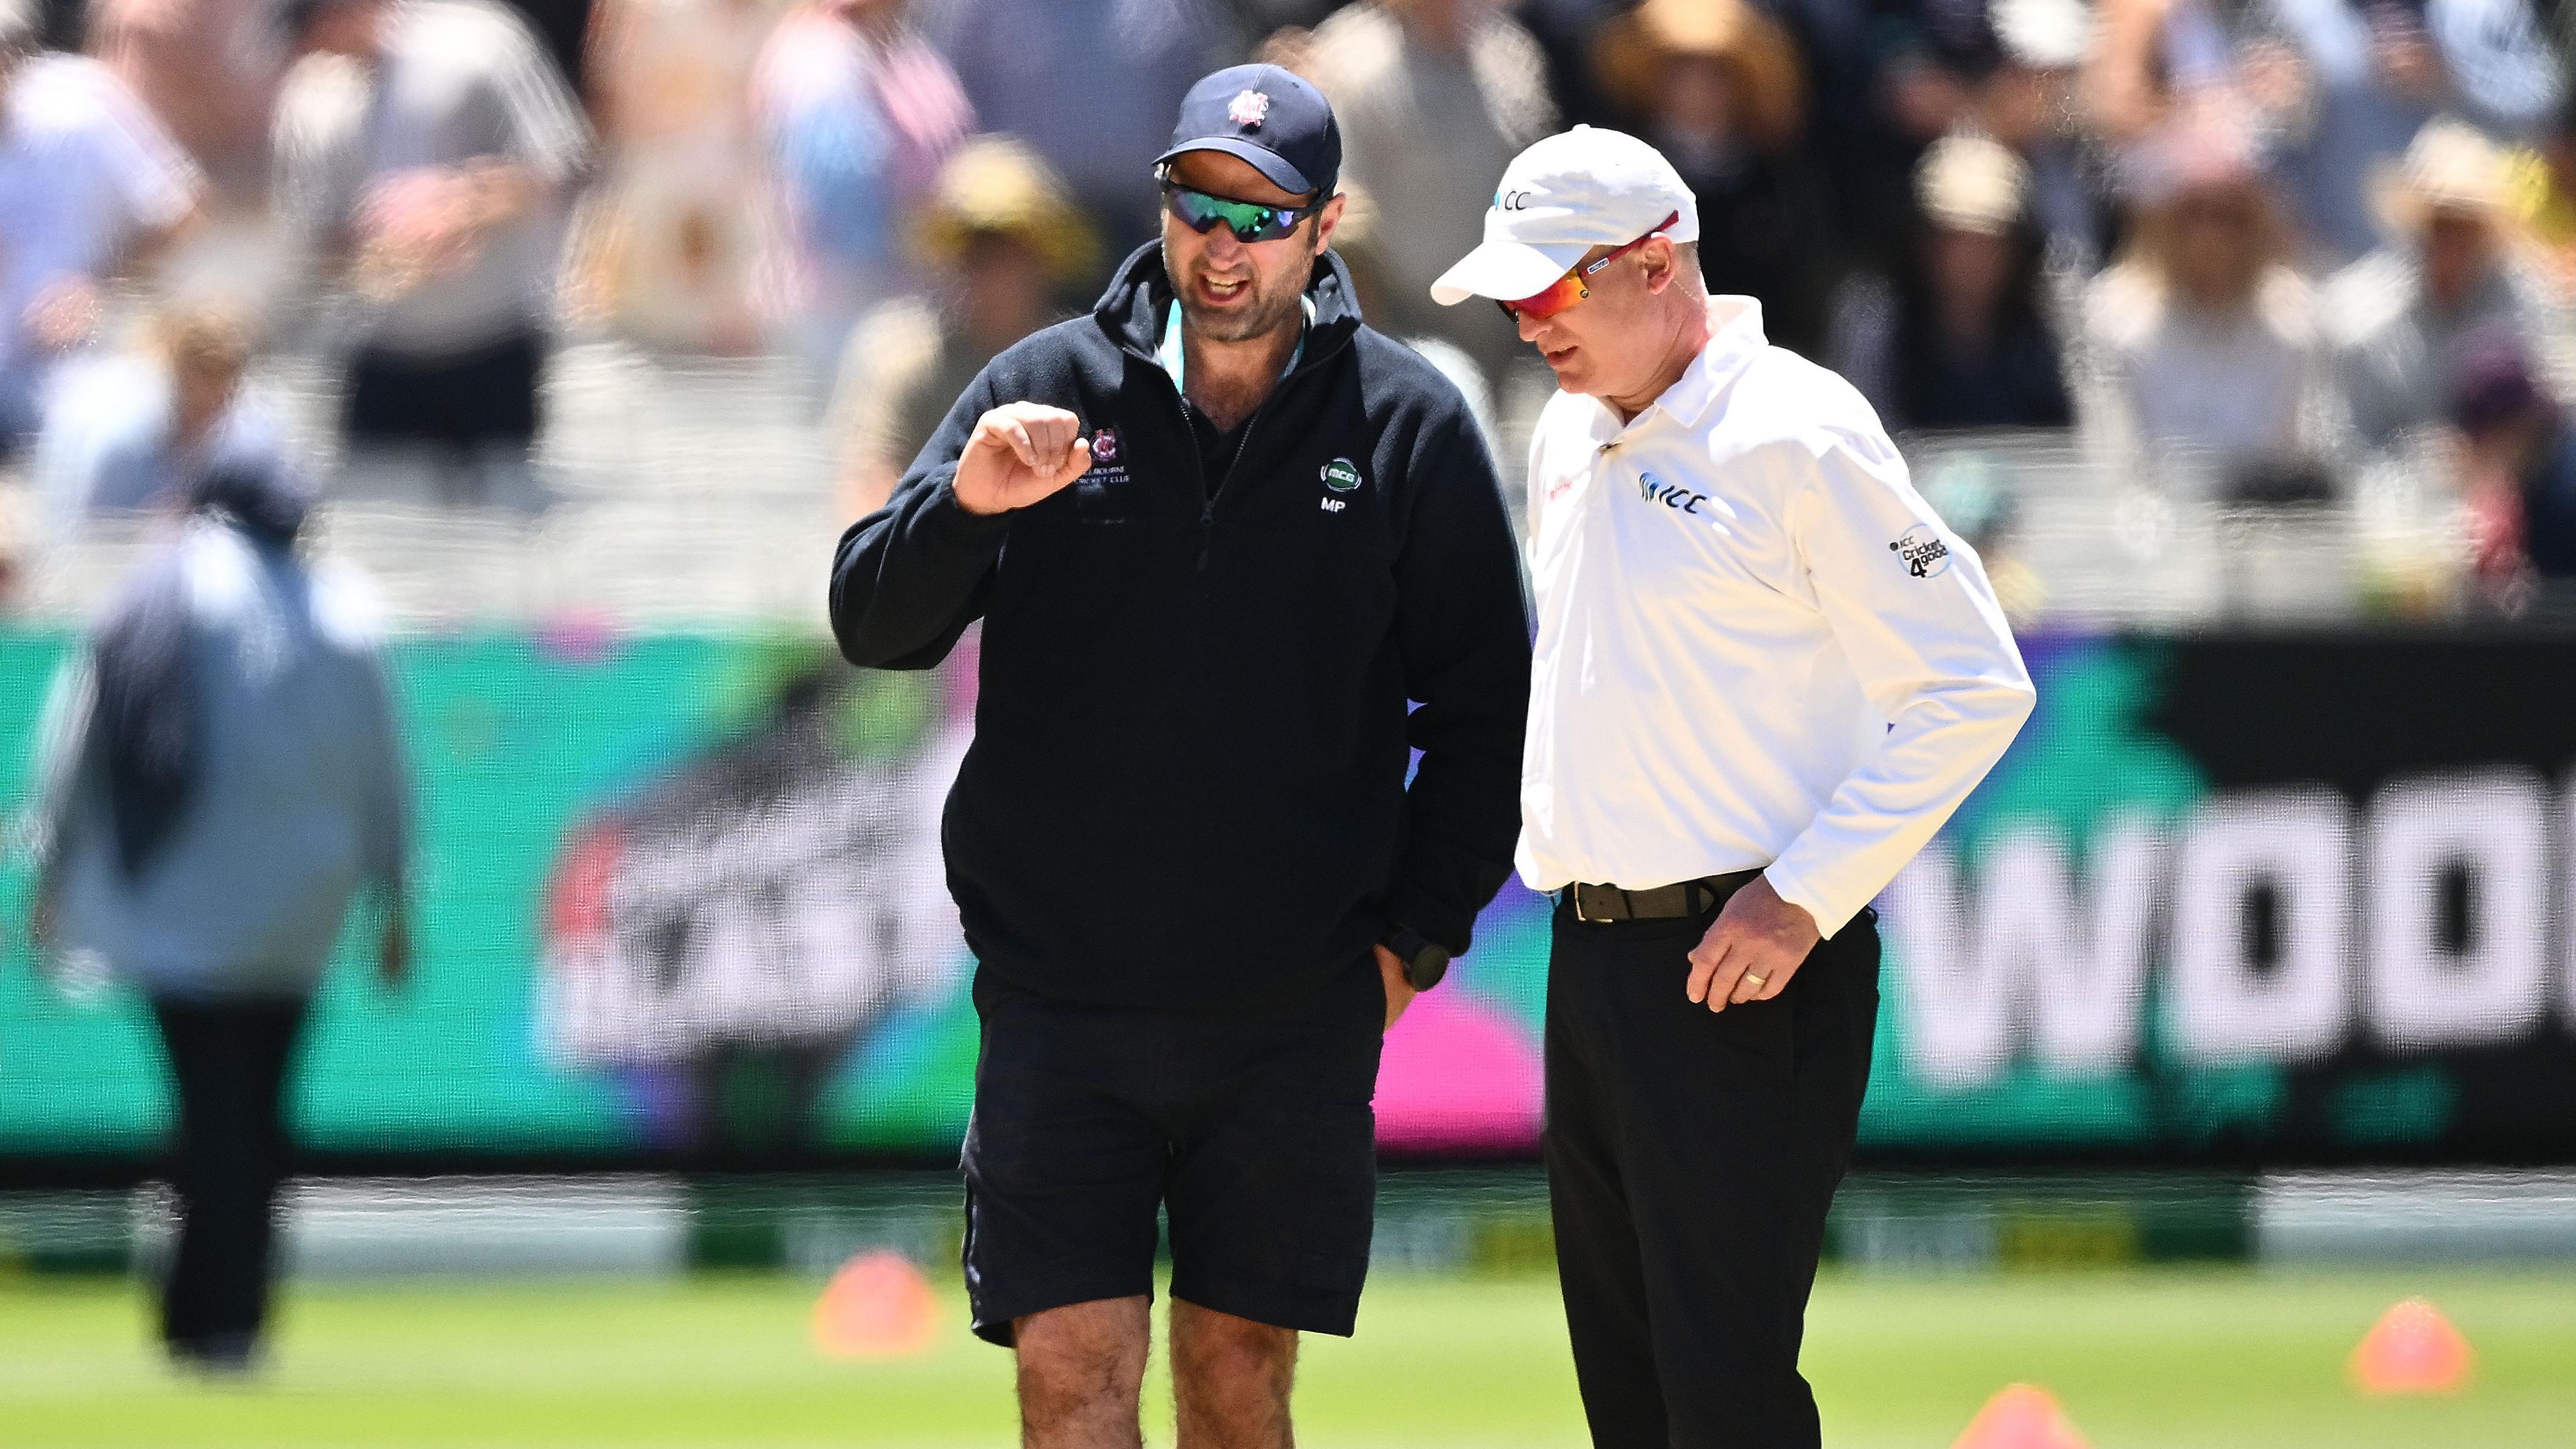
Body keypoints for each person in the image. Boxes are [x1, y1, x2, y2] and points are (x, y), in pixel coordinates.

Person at [829, 64, 1529, 1447]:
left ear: (1322, 231)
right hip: (1060, 1006)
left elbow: (1484, 717)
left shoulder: (1407, 426)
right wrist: (966, 505)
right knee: (1068, 1381)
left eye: (1261, 215)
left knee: (1235, 1382)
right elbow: (872, 619)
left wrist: (1407, 950)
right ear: (1163, 209)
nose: (1223, 245)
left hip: (1289, 1016)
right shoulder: (1037, 388)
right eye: (1198, 204)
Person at [1431, 126, 2035, 1449]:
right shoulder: (1568, 432)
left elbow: (1974, 685)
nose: (1529, 324)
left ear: (1654, 264)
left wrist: (1801, 899)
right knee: (1632, 1397)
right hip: (1593, 966)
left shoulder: (1796, 430)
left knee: (1726, 1393)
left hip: (1742, 969)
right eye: (1514, 297)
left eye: (1549, 290)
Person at [25, 463, 411, 1373]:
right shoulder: (343, 605)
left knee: (209, 1113)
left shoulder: (160, 590)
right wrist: (392, 896)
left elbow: (75, 737)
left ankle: (200, 1316)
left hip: (182, 912)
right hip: (302, 912)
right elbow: (386, 767)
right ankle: (229, 1314)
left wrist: (50, 870)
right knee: (255, 1118)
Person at [272, 0, 592, 512]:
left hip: (493, 338)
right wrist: (378, 244)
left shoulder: (477, 45)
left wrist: (457, 207)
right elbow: (313, 236)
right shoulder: (313, 92)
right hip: (380, 347)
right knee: (383, 530)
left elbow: (556, 166)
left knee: (502, 528)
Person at [827, 135, 1094, 520]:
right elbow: (868, 495)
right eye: (979, 252)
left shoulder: (1083, 362)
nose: (995, 273)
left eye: (1013, 252)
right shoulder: (901, 356)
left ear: (1044, 261)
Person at [1305, 0, 1557, 382]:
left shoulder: (1507, 52)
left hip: (1513, 328)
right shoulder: (1352, 57)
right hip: (1405, 330)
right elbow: (1341, 214)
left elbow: (1542, 181)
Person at [2078, 118, 2333, 484]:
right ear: (2162, 223)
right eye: (2192, 215)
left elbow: (2303, 456)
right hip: (2153, 523)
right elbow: (2110, 458)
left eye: (2226, 216)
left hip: (2267, 522)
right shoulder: (2115, 320)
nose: (2208, 236)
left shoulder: (2294, 322)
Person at [0, 0, 204, 452]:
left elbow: (181, 212)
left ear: (13, 57)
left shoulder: (80, 107)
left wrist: (96, 283)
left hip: (67, 382)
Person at [1591, 0, 1838, 358]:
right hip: (1644, 364)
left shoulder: (1778, 183)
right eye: (1679, 71)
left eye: (1713, 73)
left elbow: (1800, 291)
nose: (1696, 87)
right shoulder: (1621, 174)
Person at [752, 0, 971, 389]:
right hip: (846, 322)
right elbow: (844, 211)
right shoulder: (822, 59)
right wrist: (937, 242)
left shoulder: (897, 45)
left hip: (914, 313)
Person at [2327, 117, 2555, 451]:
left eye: (2466, 225)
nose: (2451, 241)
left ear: (2486, 233)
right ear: (2419, 228)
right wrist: (2417, 457)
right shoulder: (2364, 319)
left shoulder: (2523, 307)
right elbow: (2347, 445)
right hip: (2394, 494)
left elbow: (2542, 427)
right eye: (2441, 224)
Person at [1829, 130, 2073, 432]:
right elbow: (1858, 439)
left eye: (1985, 239)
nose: (1966, 257)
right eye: (1952, 237)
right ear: (1921, 241)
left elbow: (2093, 445)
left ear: (2015, 249)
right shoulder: (1876, 326)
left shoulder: (2059, 326)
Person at [32, 302, 296, 524]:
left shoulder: (245, 441)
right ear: (182, 374)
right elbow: (98, 539)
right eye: (205, 378)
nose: (220, 399)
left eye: (230, 383)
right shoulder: (124, 441)